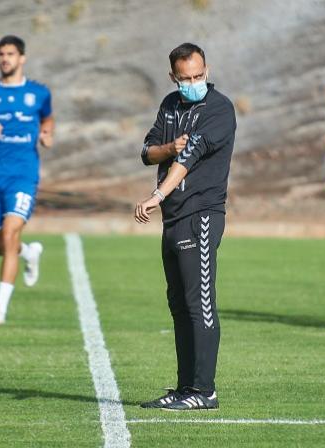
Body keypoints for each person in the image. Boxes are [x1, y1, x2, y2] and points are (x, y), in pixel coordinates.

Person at [134, 42, 236, 410]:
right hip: (174, 218)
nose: (194, 82)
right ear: (173, 77)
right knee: (177, 304)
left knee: (200, 304)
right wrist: (168, 148)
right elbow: (148, 151)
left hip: (201, 214)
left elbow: (189, 157)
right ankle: (184, 387)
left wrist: (156, 196)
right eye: (186, 78)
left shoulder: (220, 109)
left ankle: (204, 391)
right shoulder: (170, 105)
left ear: (207, 70)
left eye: (199, 75)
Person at [0, 35, 54, 325]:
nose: (5, 58)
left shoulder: (39, 93)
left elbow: (47, 119)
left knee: (10, 233)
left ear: (22, 58)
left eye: (11, 54)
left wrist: (47, 134)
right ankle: (30, 252)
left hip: (23, 175)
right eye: (1, 54)